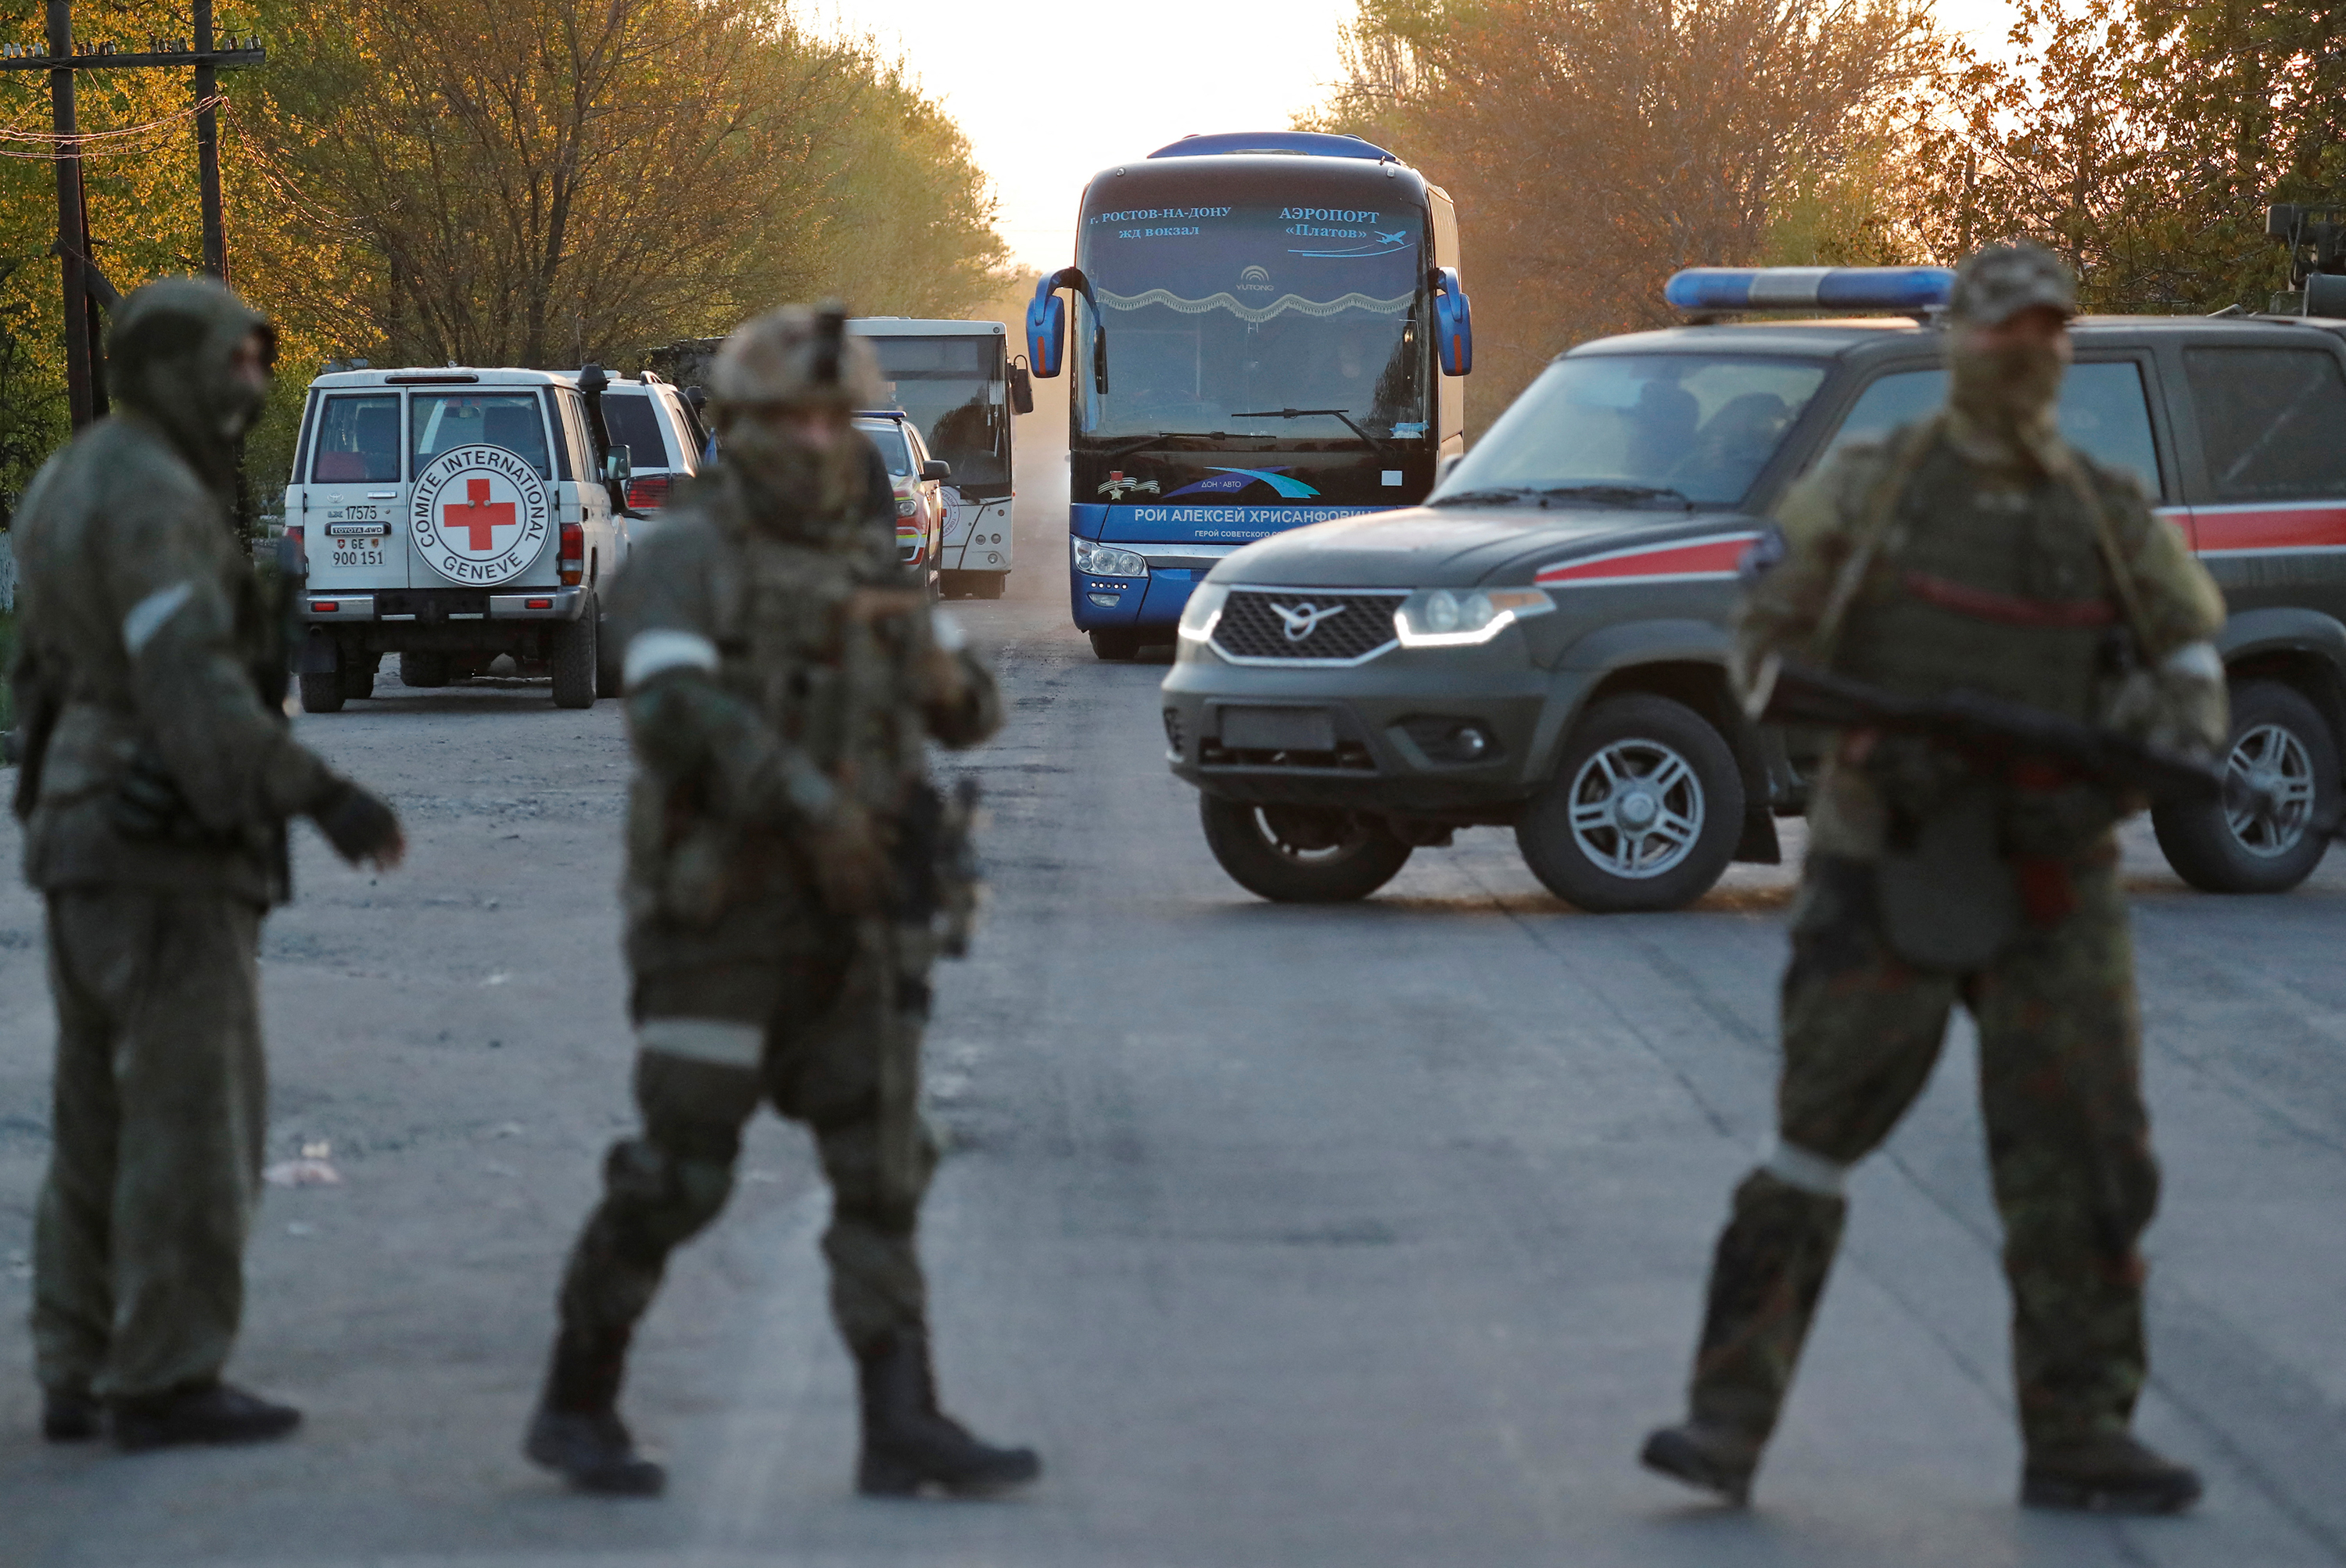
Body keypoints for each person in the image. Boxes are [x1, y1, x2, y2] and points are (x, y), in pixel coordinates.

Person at [1638, 242, 2228, 1513]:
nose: (2027, 357)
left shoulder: (2106, 511)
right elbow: (1760, 641)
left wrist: (2155, 746)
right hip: (1886, 860)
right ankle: (1723, 1423)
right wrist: (1879, 736)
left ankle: (2080, 1433)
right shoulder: (1874, 489)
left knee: (2085, 1160)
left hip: (2055, 875)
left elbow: (2189, 661)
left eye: (2049, 336)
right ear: (1957, 342)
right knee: (1812, 1143)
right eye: (2004, 333)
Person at [523, 304, 1037, 1499]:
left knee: (880, 1161)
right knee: (683, 1165)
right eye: (789, 420)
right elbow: (676, 713)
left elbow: (969, 709)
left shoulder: (868, 556)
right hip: (721, 921)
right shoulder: (682, 555)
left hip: (853, 922)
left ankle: (901, 1418)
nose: (814, 441)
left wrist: (929, 658)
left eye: (829, 418)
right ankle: (577, 1392)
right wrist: (809, 802)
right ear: (741, 428)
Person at [12, 276, 406, 1451]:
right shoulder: (151, 496)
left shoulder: (71, 475)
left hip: (82, 832)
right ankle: (167, 1374)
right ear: (173, 368)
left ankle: (76, 1362)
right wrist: (321, 794)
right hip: (161, 841)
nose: (252, 384)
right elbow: (190, 686)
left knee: (94, 1119)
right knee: (189, 1110)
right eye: (232, 363)